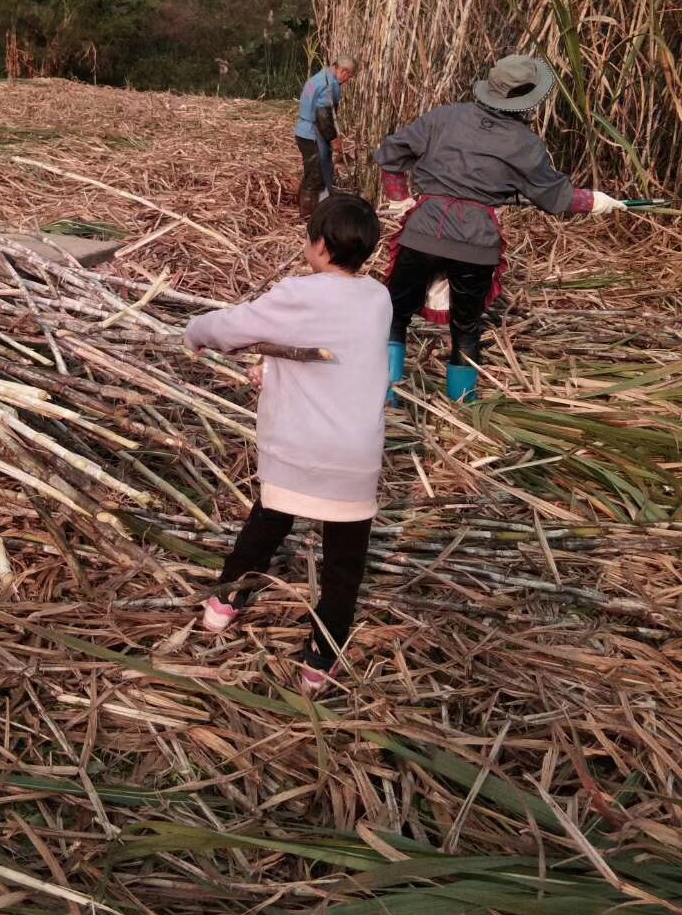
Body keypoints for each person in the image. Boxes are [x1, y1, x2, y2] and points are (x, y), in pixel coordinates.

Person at [184, 194, 391, 693]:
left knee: (266, 525)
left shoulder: (300, 292)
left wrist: (194, 333)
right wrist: (273, 366)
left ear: (319, 245)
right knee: (344, 565)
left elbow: (234, 327)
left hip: (298, 452)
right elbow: (333, 355)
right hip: (354, 460)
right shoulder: (378, 299)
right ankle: (320, 661)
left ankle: (224, 605)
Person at [374, 54, 626, 405]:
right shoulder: (525, 144)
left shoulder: (445, 117)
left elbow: (390, 155)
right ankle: (463, 408)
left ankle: (386, 397)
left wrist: (400, 201)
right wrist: (597, 201)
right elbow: (557, 197)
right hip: (476, 245)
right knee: (465, 328)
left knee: (395, 314)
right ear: (526, 100)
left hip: (423, 231)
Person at [294, 55, 357, 219]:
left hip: (302, 130)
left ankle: (303, 204)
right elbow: (324, 116)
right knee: (316, 174)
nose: (347, 81)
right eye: (348, 77)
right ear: (343, 71)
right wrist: (333, 138)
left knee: (312, 170)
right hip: (312, 133)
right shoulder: (329, 86)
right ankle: (309, 215)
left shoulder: (318, 78)